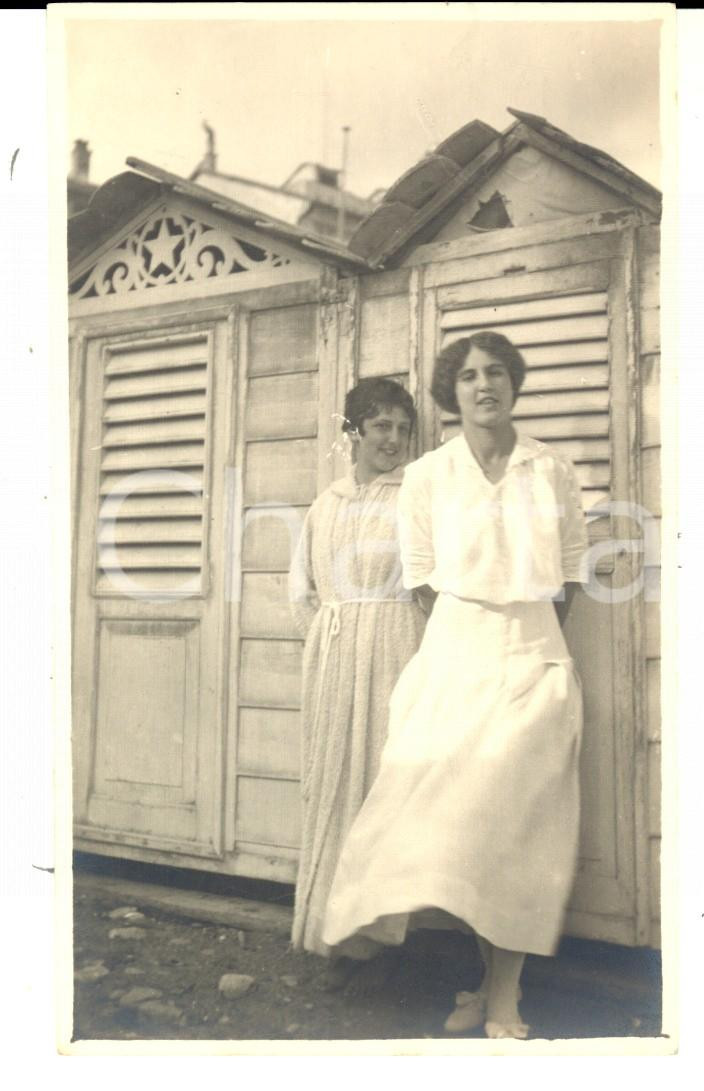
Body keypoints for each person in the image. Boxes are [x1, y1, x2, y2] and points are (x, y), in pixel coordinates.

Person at [322, 332, 589, 1038]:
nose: (483, 386)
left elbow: (570, 573)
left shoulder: (550, 468)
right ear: (453, 391)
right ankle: (477, 981)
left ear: (513, 383)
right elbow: (420, 579)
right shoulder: (430, 475)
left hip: (534, 653)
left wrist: (526, 629)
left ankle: (504, 996)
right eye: (468, 376)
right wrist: (469, 638)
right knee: (462, 826)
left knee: (523, 825)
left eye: (495, 372)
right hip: (453, 653)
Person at [289, 377, 428, 990]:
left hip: (396, 650)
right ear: (353, 433)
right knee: (333, 781)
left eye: (402, 429)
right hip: (336, 654)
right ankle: (334, 931)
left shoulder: (416, 499)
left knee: (381, 783)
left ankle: (381, 938)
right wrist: (328, 635)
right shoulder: (328, 503)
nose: (393, 440)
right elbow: (303, 590)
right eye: (380, 427)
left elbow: (431, 583)